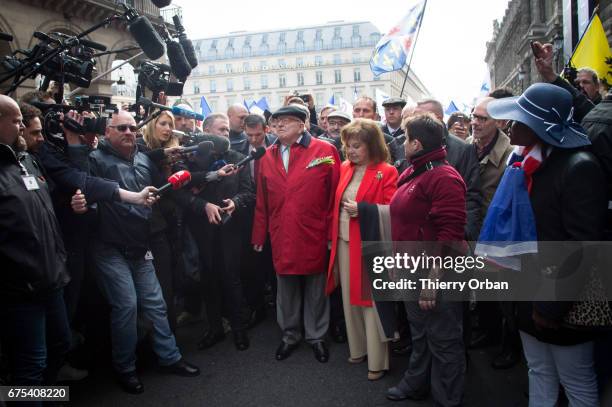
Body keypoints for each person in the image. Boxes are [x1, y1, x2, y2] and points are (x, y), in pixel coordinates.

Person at [485, 82, 605, 407]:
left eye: (518, 119)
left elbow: (584, 246)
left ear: (542, 126)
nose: (509, 126)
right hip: (529, 290)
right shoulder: (522, 163)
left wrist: (553, 305)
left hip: (563, 298)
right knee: (538, 371)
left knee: (576, 381)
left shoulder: (579, 167)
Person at [89, 111, 199, 394]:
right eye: (122, 127)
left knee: (156, 304)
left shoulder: (142, 158)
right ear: (107, 131)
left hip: (141, 246)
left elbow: (159, 195)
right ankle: (125, 369)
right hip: (110, 247)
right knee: (126, 307)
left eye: (132, 127)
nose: (128, 132)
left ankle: (169, 357)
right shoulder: (94, 160)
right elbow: (87, 198)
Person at [387, 113, 467, 406]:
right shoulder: (415, 171)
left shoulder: (443, 177)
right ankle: (417, 383)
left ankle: (448, 398)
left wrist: (432, 281)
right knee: (420, 333)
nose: (402, 144)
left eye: (406, 138)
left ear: (417, 144)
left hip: (436, 274)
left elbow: (450, 235)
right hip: (411, 269)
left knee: (444, 339)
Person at [252, 105, 340, 363]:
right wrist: (259, 235)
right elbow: (262, 200)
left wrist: (331, 233)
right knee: (286, 288)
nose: (278, 126)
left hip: (314, 231)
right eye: (275, 121)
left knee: (316, 287)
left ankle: (317, 337)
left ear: (303, 125)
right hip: (282, 232)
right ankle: (290, 335)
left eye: (286, 121)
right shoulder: (267, 156)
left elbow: (334, 195)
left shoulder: (325, 151)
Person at [0, 95, 72, 404]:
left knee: (61, 346)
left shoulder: (26, 159)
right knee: (31, 364)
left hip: (51, 278)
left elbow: (47, 209)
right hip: (20, 289)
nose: (21, 128)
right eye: (16, 121)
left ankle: (42, 396)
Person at [326, 119, 398, 381]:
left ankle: (378, 361)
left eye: (356, 146)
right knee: (349, 299)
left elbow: (394, 211)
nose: (350, 151)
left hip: (369, 244)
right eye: (347, 146)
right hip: (344, 241)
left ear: (371, 145)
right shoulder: (345, 167)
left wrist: (363, 210)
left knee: (370, 300)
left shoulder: (387, 170)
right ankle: (357, 349)